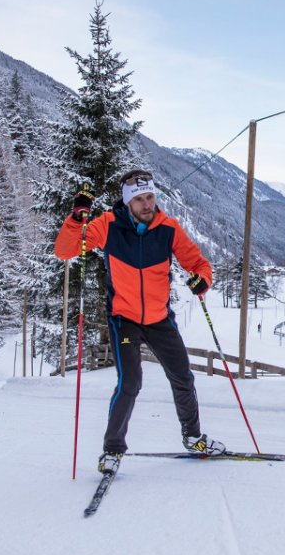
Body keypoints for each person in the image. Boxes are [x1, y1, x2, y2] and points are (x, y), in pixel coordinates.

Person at [55, 169, 223, 476]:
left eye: (150, 198)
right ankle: (112, 450)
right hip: (124, 319)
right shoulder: (108, 226)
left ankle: (193, 437)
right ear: (128, 202)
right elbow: (66, 250)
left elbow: (198, 263)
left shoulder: (168, 228)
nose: (147, 205)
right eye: (140, 200)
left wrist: (203, 280)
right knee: (131, 383)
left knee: (183, 378)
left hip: (160, 318)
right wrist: (78, 217)